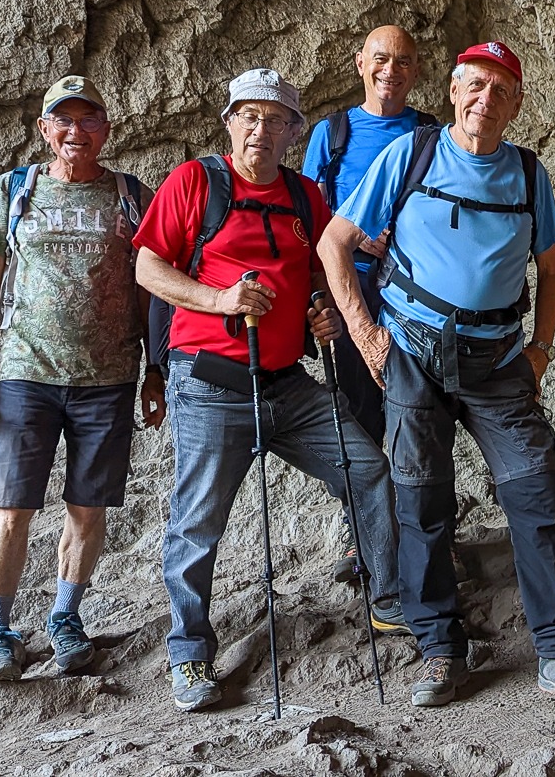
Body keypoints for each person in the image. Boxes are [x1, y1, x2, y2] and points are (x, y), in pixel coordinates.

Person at [320, 42, 555, 711]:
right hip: (413, 357)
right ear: (453, 91)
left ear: (517, 105)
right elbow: (335, 242)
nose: (485, 99)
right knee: (421, 505)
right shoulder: (411, 154)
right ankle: (440, 651)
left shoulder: (528, 173)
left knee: (536, 496)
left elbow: (552, 270)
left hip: (499, 363)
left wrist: (540, 349)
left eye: (500, 90)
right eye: (474, 85)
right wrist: (367, 336)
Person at [133, 68, 403, 712]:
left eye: (276, 119)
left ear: (292, 132)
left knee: (368, 470)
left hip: (287, 384)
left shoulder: (305, 196)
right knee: (198, 523)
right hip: (210, 383)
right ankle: (189, 652)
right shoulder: (194, 182)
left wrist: (318, 313)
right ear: (230, 122)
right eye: (249, 116)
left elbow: (316, 272)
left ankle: (389, 598)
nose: (261, 129)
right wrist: (220, 299)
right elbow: (147, 267)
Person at [0, 75, 163, 683]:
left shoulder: (131, 195)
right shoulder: (14, 189)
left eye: (88, 119)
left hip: (109, 378)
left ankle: (66, 618)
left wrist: (156, 368)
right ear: (45, 129)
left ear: (106, 129)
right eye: (63, 120)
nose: (76, 131)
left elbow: (150, 289)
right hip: (27, 373)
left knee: (87, 509)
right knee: (10, 507)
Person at [300, 25, 437, 583]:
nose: (391, 71)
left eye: (403, 61)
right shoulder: (332, 134)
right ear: (360, 64)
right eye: (381, 59)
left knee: (419, 415)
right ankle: (367, 540)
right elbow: (310, 217)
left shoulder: (431, 132)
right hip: (352, 291)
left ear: (416, 71)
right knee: (359, 418)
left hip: (414, 294)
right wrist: (352, 242)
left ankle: (423, 536)